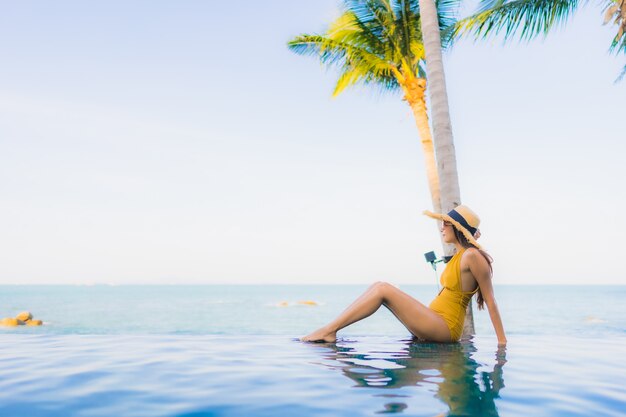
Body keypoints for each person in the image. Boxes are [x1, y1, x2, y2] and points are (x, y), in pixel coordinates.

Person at [300, 205, 507, 345]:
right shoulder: (460, 255)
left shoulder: (472, 256)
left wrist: (502, 344)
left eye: (446, 223)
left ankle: (329, 330)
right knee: (378, 285)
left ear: (458, 228)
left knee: (383, 289)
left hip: (446, 327)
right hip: (435, 321)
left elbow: (491, 301)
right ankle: (330, 328)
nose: (442, 226)